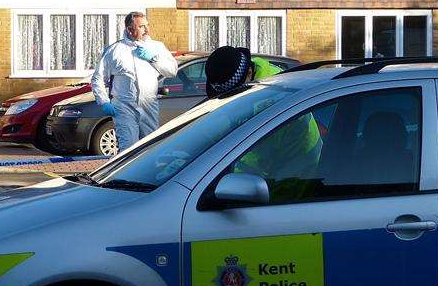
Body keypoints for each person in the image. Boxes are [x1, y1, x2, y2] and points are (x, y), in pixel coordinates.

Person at [204, 46, 321, 200]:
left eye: (232, 93)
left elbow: (255, 155)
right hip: (277, 157)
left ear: (249, 74)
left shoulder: (268, 99)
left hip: (298, 161)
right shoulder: (254, 75)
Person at [91, 12, 177, 153]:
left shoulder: (157, 47)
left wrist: (153, 58)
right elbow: (97, 78)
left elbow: (172, 70)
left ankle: (146, 175)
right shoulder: (115, 51)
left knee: (150, 148)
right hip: (124, 107)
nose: (147, 30)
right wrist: (104, 101)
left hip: (148, 104)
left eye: (147, 25)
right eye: (142, 26)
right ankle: (124, 175)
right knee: (128, 149)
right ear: (130, 29)